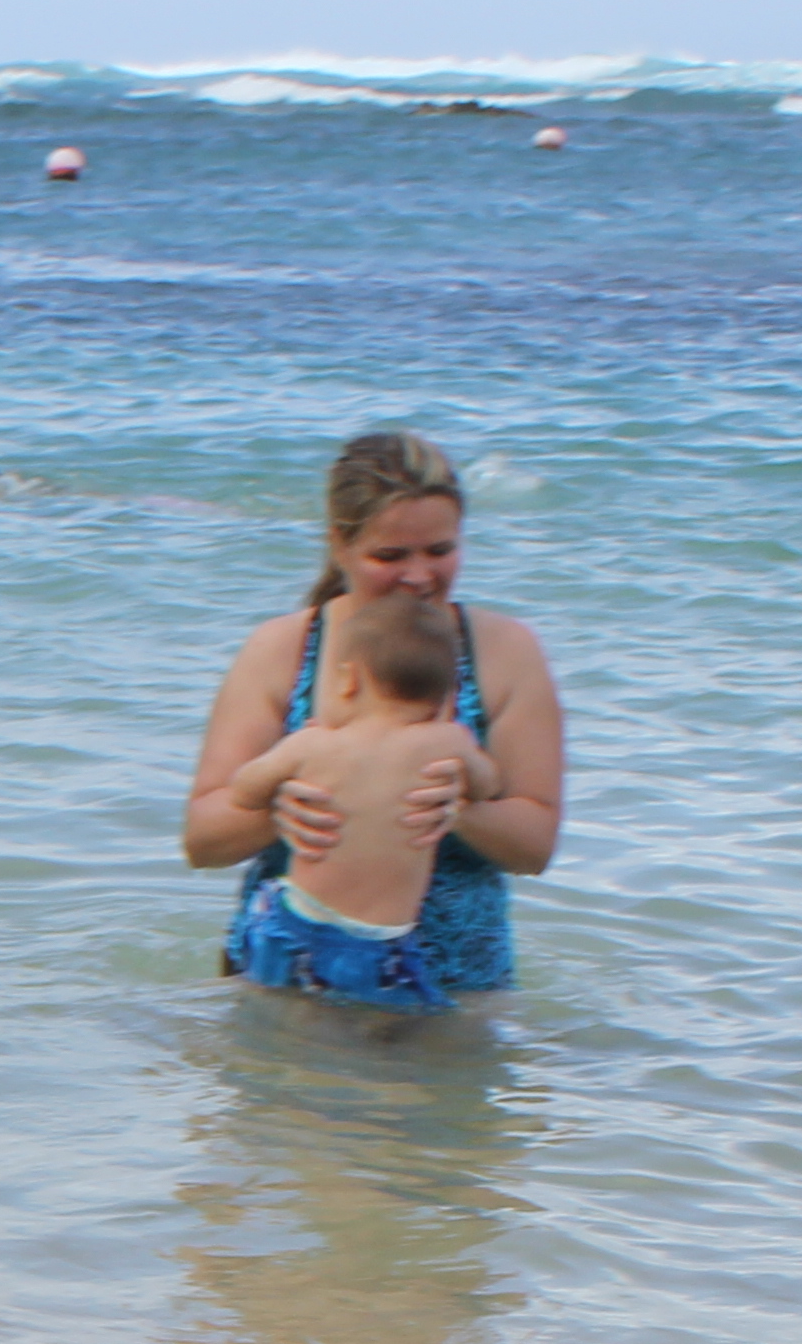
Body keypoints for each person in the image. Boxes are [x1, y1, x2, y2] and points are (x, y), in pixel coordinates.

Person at [179, 427, 568, 995]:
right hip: (287, 979)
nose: (418, 576)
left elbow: (535, 845)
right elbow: (202, 840)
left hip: (455, 986)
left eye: (440, 551)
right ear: (340, 544)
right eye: (390, 555)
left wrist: (458, 811)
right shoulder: (284, 649)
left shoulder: (505, 652)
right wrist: (279, 809)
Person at [203, 591, 495, 1009]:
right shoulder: (451, 743)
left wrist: (284, 782)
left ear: (349, 680)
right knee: (380, 1035)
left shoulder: (314, 743)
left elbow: (245, 790)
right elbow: (488, 786)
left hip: (295, 922)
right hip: (382, 945)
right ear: (450, 694)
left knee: (277, 1018)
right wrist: (464, 782)